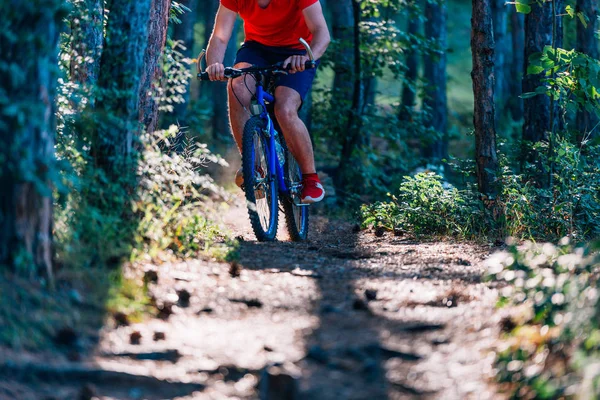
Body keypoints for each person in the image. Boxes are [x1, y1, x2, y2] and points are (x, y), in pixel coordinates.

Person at [205, 0, 330, 204]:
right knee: (237, 87)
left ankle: (311, 179)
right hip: (257, 49)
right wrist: (215, 64)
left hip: (298, 51)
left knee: (285, 108)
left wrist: (308, 57)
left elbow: (321, 33)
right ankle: (252, 166)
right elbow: (220, 36)